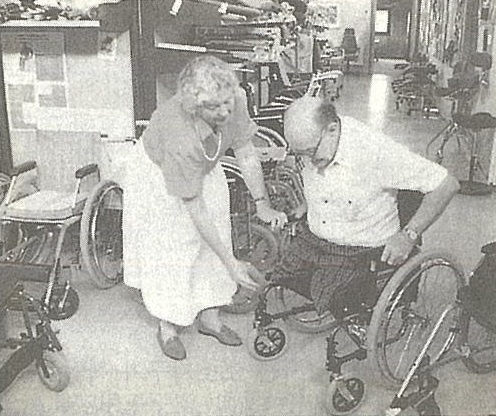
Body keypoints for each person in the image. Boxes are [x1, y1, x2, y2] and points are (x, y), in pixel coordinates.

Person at [123, 55, 287, 361]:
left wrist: (262, 203)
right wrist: (232, 263)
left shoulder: (233, 99)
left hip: (205, 162)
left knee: (219, 232)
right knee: (175, 246)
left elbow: (246, 152)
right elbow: (195, 208)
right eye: (214, 107)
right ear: (193, 106)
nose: (224, 112)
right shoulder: (177, 130)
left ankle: (210, 318)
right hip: (158, 172)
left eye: (227, 102)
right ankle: (168, 325)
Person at [276, 96, 460, 315]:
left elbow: (446, 184)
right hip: (316, 241)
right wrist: (309, 202)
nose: (309, 160)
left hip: (358, 253)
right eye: (300, 154)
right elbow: (327, 179)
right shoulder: (317, 144)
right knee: (278, 275)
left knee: (331, 295)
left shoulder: (374, 151)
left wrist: (408, 236)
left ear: (332, 129)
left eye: (310, 151)